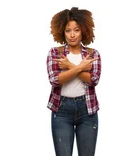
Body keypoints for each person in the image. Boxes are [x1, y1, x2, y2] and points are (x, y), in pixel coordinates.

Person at [46, 7, 101, 156]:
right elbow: (55, 80)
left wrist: (69, 66)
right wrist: (81, 68)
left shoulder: (92, 54)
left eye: (76, 30)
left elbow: (93, 80)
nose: (72, 35)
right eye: (68, 30)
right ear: (62, 32)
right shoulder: (55, 53)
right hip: (62, 111)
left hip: (87, 110)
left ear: (83, 30)